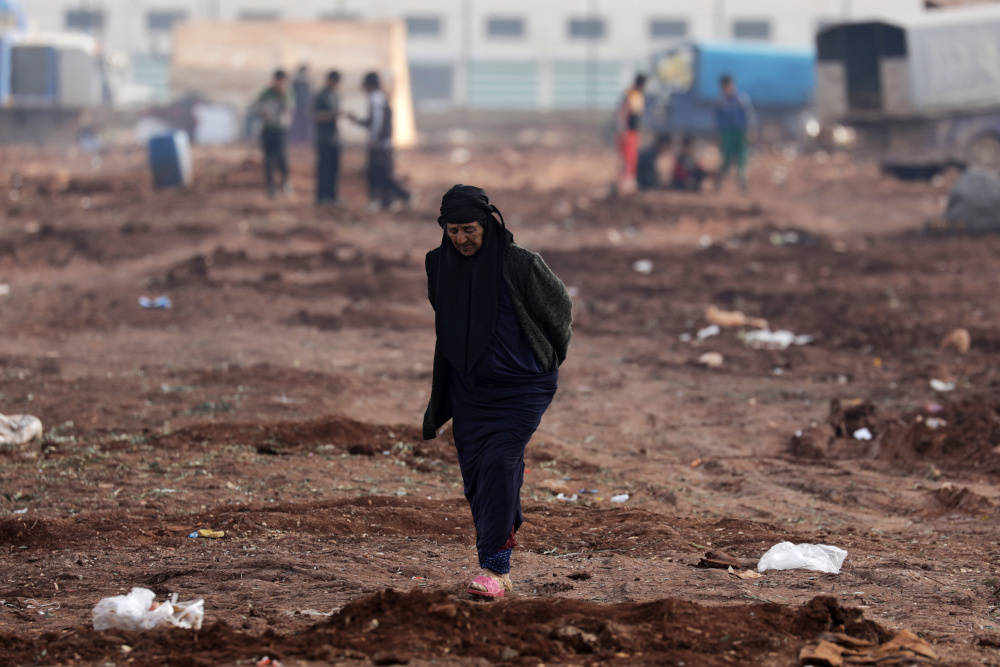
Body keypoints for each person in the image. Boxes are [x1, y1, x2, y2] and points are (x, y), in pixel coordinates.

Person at [423, 185, 573, 599]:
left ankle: (495, 568)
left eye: (469, 229)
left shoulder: (520, 264)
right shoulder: (438, 265)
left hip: (523, 389)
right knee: (477, 475)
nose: (461, 239)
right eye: (453, 230)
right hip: (470, 392)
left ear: (487, 224)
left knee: (500, 462)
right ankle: (504, 518)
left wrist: (548, 355)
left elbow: (559, 309)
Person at [348, 72, 411, 212]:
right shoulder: (381, 97)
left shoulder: (375, 98)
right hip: (384, 143)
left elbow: (376, 121)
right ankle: (389, 201)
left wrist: (374, 139)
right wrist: (358, 121)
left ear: (369, 85)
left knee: (377, 174)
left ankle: (400, 196)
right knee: (383, 174)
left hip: (380, 144)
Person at [715, 74, 756, 192]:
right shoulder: (721, 102)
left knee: (742, 158)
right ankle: (719, 182)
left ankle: (742, 184)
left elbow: (748, 115)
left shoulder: (741, 99)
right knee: (726, 159)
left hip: (740, 132)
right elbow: (718, 120)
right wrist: (719, 134)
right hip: (727, 133)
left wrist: (750, 130)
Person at [255, 69, 292, 197]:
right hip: (267, 129)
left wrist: (282, 95)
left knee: (281, 157)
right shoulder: (266, 93)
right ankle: (271, 186)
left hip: (280, 130)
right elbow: (257, 108)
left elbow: (289, 109)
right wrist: (262, 113)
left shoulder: (287, 93)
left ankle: (285, 181)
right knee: (269, 159)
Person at [313, 70, 342, 206]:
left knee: (334, 170)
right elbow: (315, 116)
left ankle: (332, 196)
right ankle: (322, 197)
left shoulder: (335, 96)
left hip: (335, 138)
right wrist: (332, 115)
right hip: (323, 139)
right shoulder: (321, 96)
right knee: (324, 169)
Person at [616, 73, 647, 196]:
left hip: (634, 133)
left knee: (633, 159)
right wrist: (623, 132)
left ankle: (630, 185)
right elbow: (623, 115)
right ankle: (624, 185)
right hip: (628, 133)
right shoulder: (630, 96)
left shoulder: (638, 96)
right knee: (627, 159)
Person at [289, 65, 313, 144]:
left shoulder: (305, 82)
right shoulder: (299, 83)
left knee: (303, 123)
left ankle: (302, 138)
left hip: (304, 106)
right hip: (299, 106)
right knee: (298, 122)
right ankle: (298, 138)